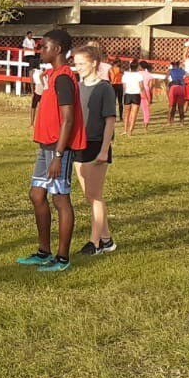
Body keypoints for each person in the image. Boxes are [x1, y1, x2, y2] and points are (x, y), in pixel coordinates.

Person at [17, 29, 86, 272]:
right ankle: (43, 251)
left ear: (57, 50)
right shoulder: (51, 75)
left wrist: (58, 155)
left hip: (59, 149)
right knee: (37, 195)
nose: (41, 51)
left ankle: (62, 257)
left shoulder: (64, 78)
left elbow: (68, 119)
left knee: (60, 199)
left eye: (44, 47)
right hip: (45, 146)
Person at [71, 44, 117, 255]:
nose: (78, 67)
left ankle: (95, 243)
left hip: (97, 144)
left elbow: (109, 120)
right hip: (79, 144)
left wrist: (104, 149)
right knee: (89, 196)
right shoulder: (76, 87)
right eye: (76, 63)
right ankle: (107, 240)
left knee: (95, 195)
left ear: (94, 63)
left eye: (82, 63)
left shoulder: (104, 87)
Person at [120, 60, 147, 135]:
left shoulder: (125, 75)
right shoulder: (139, 75)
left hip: (127, 95)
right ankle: (130, 131)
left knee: (126, 114)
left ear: (130, 67)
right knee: (134, 114)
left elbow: (124, 87)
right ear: (137, 67)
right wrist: (143, 94)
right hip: (136, 95)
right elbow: (141, 87)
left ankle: (125, 129)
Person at [165, 61, 188, 125]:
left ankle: (169, 122)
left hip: (173, 87)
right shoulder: (182, 71)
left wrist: (167, 85)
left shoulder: (170, 70)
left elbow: (165, 78)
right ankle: (182, 122)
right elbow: (188, 76)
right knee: (181, 106)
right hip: (181, 87)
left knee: (171, 105)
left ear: (172, 66)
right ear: (178, 65)